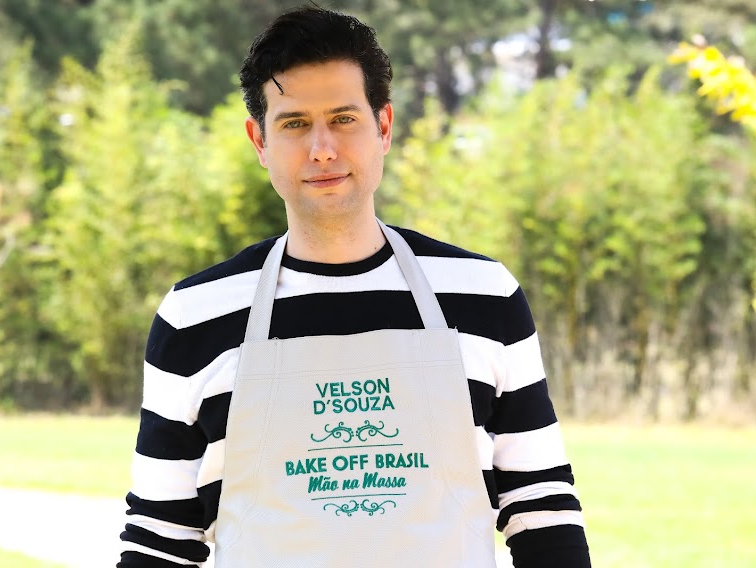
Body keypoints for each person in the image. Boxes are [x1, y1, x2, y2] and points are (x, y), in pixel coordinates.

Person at [118, 6, 590, 568]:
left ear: (383, 128)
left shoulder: (484, 296)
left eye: (343, 118)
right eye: (294, 123)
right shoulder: (194, 316)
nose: (322, 148)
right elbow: (159, 537)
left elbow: (542, 507)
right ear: (259, 141)